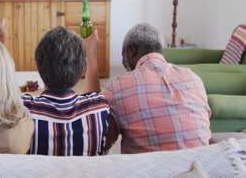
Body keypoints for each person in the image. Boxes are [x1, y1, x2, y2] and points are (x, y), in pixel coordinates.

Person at [104, 23, 211, 154]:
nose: (123, 61)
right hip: (200, 168)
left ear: (131, 50)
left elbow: (100, 143)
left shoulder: (117, 88)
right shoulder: (193, 78)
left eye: (123, 55)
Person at [21, 26, 111, 156]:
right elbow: (92, 100)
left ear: (39, 67)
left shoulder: (24, 110)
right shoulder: (100, 108)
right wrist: (91, 55)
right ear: (81, 70)